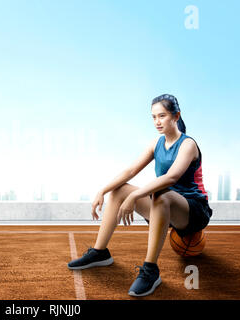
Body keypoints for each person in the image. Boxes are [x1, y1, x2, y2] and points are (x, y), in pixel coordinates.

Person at [67, 94, 213, 297]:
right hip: (164, 205)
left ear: (176, 116)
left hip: (193, 210)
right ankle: (100, 252)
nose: (157, 122)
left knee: (162, 196)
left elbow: (171, 178)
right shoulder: (157, 143)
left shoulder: (188, 145)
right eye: (153, 117)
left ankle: (150, 270)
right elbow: (130, 172)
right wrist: (103, 190)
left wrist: (135, 197)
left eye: (162, 116)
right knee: (121, 190)